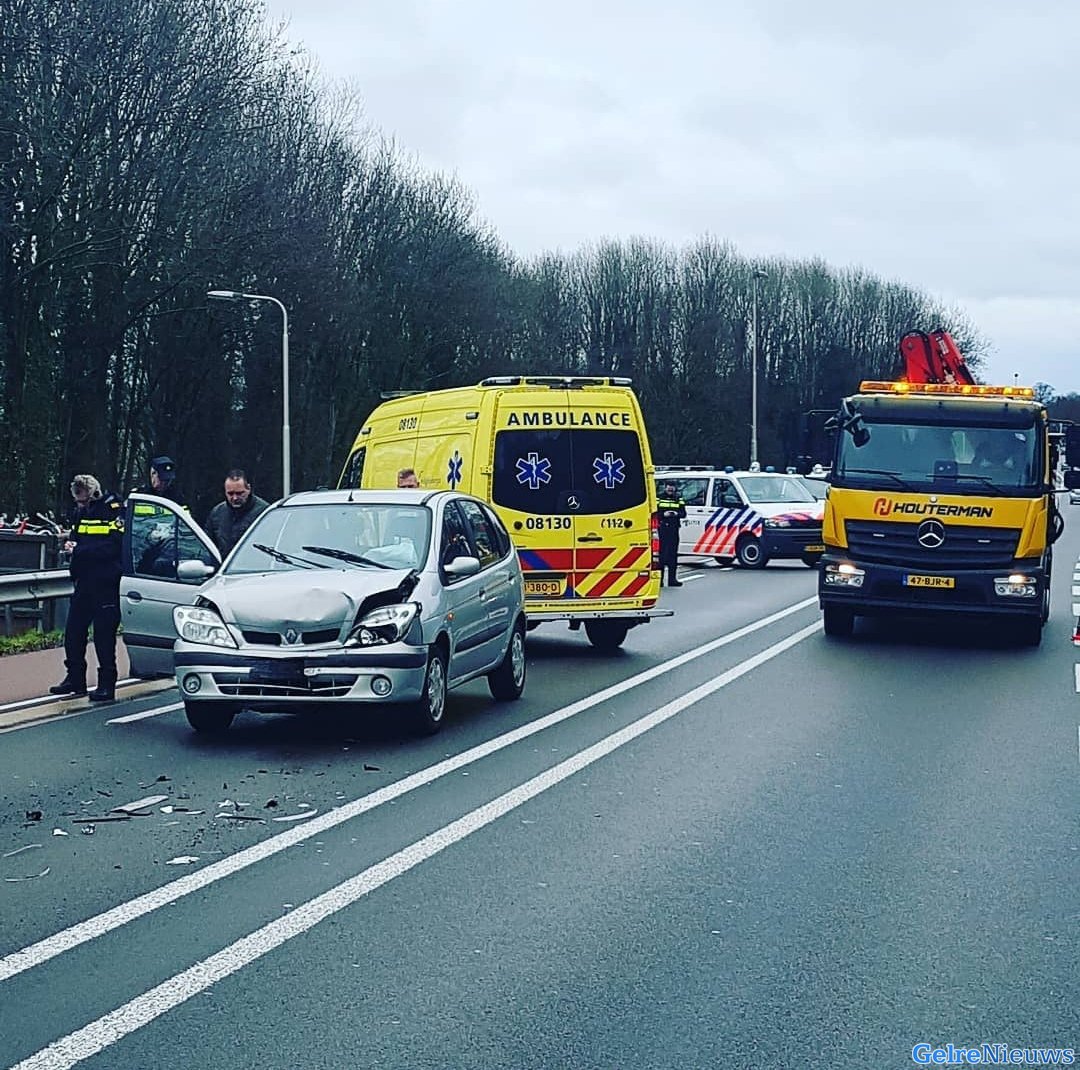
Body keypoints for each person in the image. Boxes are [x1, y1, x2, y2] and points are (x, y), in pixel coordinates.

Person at [49, 475, 124, 702]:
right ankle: (75, 679)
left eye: (83, 501)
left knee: (103, 635)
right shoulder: (81, 512)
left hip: (106, 582)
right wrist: (71, 543)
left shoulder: (113, 509)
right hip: (84, 581)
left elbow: (113, 547)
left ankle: (106, 684)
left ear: (94, 494)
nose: (80, 505)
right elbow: (79, 537)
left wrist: (79, 551)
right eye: (77, 501)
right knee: (73, 632)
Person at [205, 469, 270, 555]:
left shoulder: (265, 513)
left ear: (249, 489)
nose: (235, 498)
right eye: (230, 494)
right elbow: (207, 546)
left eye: (239, 493)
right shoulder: (217, 513)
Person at [656, 482, 686, 588]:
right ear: (665, 488)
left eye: (672, 487)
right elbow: (654, 513)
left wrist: (676, 514)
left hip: (674, 528)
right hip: (663, 528)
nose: (670, 489)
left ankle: (672, 580)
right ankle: (659, 581)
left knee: (673, 554)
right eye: (668, 487)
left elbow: (683, 513)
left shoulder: (678, 498)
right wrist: (663, 515)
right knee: (662, 555)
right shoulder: (659, 498)